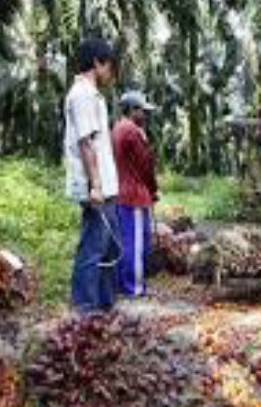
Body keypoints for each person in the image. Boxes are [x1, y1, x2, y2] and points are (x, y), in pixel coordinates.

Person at [64, 38, 119, 312]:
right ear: (97, 62)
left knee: (107, 246)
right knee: (93, 246)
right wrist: (95, 185)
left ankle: (105, 304)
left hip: (105, 184)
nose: (110, 72)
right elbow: (86, 143)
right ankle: (85, 309)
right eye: (109, 66)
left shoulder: (92, 94)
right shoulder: (82, 95)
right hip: (96, 186)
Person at [112, 90, 158, 297]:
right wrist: (153, 190)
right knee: (136, 244)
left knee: (125, 241)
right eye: (142, 111)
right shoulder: (133, 131)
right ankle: (135, 288)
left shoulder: (117, 128)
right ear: (132, 110)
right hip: (135, 195)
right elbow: (145, 165)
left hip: (120, 193)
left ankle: (122, 285)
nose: (145, 115)